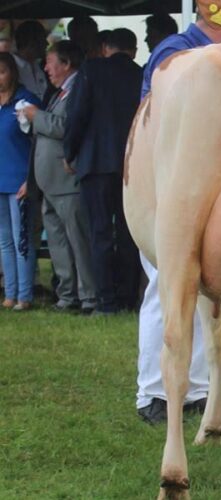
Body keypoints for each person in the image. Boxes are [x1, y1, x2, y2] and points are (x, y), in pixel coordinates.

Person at [135, 15, 221, 424]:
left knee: (203, 294)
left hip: (201, 187)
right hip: (166, 190)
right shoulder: (175, 52)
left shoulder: (209, 51)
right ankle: (153, 392)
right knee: (165, 289)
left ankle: (196, 390)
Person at [63, 28, 143, 315]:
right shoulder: (141, 74)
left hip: (95, 161)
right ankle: (128, 297)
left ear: (106, 47)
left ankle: (105, 301)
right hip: (132, 164)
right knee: (128, 233)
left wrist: (69, 152)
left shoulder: (91, 70)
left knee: (99, 232)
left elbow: (77, 115)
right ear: (133, 51)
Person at [20, 40, 97, 314]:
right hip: (49, 182)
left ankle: (88, 297)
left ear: (66, 64)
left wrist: (36, 116)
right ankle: (66, 295)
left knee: (78, 242)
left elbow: (68, 127)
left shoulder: (77, 89)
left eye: (51, 62)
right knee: (58, 243)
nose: (46, 68)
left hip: (67, 182)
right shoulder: (58, 92)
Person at [0, 53, 41, 311]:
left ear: (12, 73)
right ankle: (10, 293)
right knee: (4, 241)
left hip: (19, 181)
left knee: (22, 239)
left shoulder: (25, 102)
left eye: (2, 72)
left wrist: (31, 179)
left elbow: (39, 143)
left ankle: (24, 295)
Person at [12, 20, 49, 101]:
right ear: (31, 42)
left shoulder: (41, 66)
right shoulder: (9, 67)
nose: (47, 44)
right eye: (43, 39)